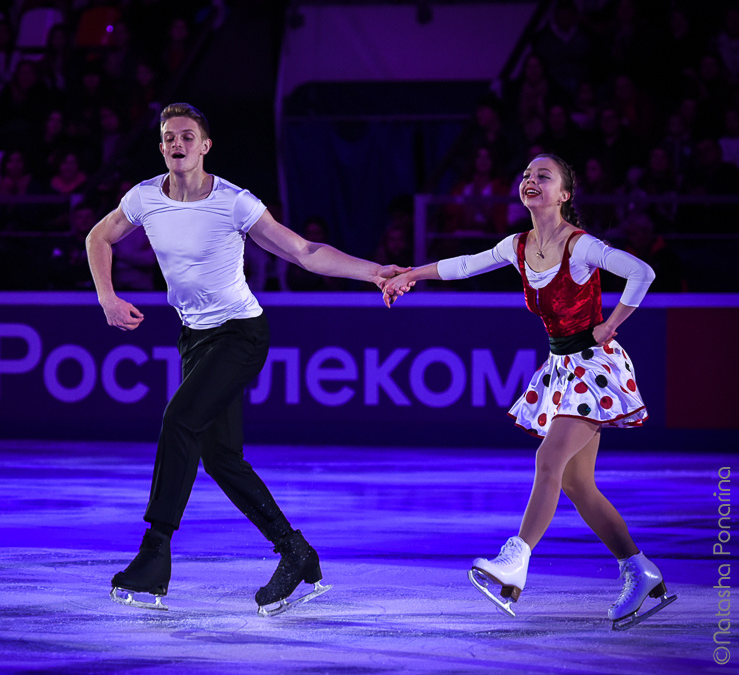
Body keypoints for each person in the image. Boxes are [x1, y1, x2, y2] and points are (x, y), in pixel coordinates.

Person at [85, 103, 408, 614]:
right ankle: (295, 552)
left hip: (240, 334)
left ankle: (154, 554)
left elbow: (304, 251)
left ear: (206, 145)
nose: (177, 144)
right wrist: (107, 296)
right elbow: (98, 236)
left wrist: (374, 272)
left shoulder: (233, 202)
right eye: (169, 137)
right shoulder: (145, 197)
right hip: (194, 339)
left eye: (187, 136)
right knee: (221, 458)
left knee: (178, 421)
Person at [382, 154, 677, 630]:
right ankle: (639, 570)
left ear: (564, 194)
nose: (530, 180)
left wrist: (610, 325)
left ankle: (515, 563)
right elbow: (463, 265)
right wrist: (411, 273)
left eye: (544, 176)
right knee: (579, 485)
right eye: (525, 175)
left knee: (548, 461)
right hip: (562, 367)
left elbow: (643, 272)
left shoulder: (580, 247)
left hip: (593, 368)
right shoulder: (517, 245)